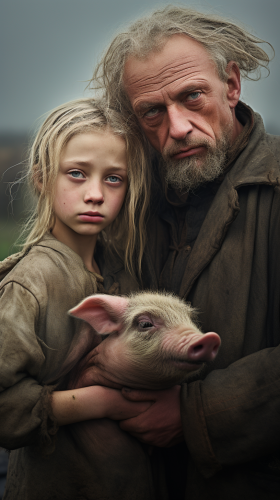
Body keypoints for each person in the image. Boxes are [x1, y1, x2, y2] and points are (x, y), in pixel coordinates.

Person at [89, 5, 280, 500]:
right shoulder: (124, 204)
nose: (177, 127)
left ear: (232, 84)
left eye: (192, 96)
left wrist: (196, 414)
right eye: (153, 111)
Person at [0, 98, 156, 499]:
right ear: (41, 178)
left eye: (114, 178)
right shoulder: (31, 282)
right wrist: (102, 402)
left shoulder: (122, 270)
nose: (95, 194)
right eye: (76, 174)